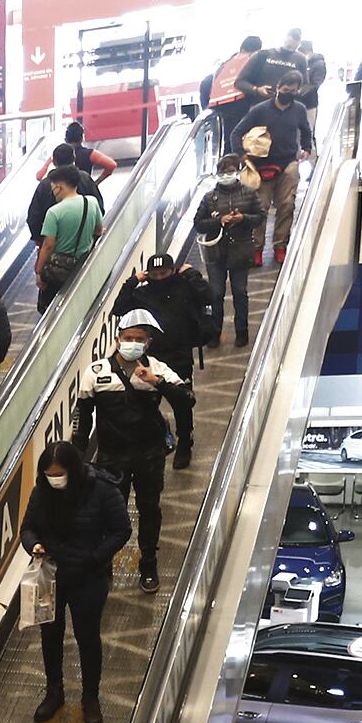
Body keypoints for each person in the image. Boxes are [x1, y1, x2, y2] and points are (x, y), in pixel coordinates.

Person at [20, 438, 129, 723]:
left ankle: (90, 699)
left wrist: (95, 558)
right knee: (50, 636)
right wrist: (35, 545)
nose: (54, 480)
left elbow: (121, 529)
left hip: (88, 577)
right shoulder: (41, 494)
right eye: (49, 475)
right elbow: (28, 527)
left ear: (73, 468)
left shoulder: (102, 490)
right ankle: (54, 691)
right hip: (51, 576)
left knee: (88, 638)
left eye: (59, 474)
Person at [76, 312, 182, 593]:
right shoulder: (96, 372)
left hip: (149, 455)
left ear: (147, 343)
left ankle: (148, 564)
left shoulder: (158, 369)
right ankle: (105, 564)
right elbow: (83, 420)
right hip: (111, 457)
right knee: (110, 513)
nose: (132, 343)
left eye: (139, 340)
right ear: (117, 339)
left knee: (149, 510)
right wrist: (77, 458)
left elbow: (187, 401)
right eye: (127, 339)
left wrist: (156, 382)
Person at [114, 252, 216, 467]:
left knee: (181, 401)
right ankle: (153, 437)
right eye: (155, 274)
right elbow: (119, 308)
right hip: (151, 356)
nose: (159, 278)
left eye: (164, 273)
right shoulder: (142, 294)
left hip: (179, 354)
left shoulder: (184, 287)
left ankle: (185, 440)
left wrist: (192, 275)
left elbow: (208, 296)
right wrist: (133, 281)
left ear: (172, 271)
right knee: (147, 402)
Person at [231, 73, 316, 264]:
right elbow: (236, 132)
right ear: (278, 87)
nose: (289, 94)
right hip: (261, 166)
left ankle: (280, 245)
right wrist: (242, 155)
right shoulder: (260, 110)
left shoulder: (299, 109)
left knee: (287, 205)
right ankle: (256, 248)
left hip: (288, 162)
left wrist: (307, 148)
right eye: (286, 90)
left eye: (293, 91)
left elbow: (305, 130)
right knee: (261, 208)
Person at [193, 154, 266, 347]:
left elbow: (260, 216)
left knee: (240, 292)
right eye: (223, 172)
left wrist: (243, 219)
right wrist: (219, 221)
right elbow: (198, 224)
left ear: (238, 171)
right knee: (216, 293)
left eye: (230, 171)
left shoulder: (249, 193)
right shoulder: (210, 198)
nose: (227, 175)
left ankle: (242, 332)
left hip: (240, 251)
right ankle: (214, 333)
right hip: (215, 253)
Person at [33, 168, 101, 312]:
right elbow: (99, 230)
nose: (52, 190)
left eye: (52, 186)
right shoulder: (92, 202)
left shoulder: (54, 212)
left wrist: (39, 272)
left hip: (56, 273)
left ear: (59, 186)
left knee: (52, 308)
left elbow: (48, 245)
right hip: (82, 265)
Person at [23, 142, 102, 242]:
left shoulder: (45, 185)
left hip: (53, 245)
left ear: (54, 162)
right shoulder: (85, 179)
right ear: (74, 158)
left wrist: (42, 240)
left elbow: (33, 218)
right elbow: (100, 208)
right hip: (85, 242)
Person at [208, 35, 263, 113]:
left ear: (242, 48)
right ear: (257, 50)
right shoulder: (252, 58)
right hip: (240, 102)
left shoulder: (226, 63)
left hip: (216, 103)